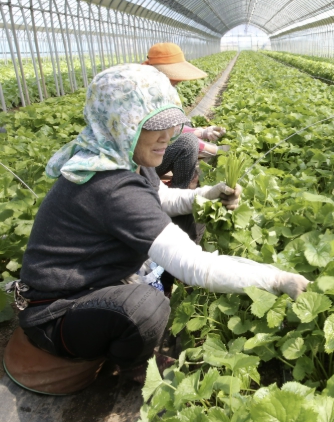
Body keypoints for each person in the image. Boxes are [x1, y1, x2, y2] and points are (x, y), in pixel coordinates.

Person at [9, 64, 308, 382]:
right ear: (123, 124)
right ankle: (132, 365)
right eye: (153, 126)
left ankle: (143, 298)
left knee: (191, 218)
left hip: (100, 282)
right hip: (57, 313)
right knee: (146, 308)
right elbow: (197, 267)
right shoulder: (110, 185)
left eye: (170, 123)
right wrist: (277, 279)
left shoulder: (122, 156)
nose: (167, 136)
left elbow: (162, 199)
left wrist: (207, 195)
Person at [142, 42, 229, 190]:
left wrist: (202, 132)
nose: (179, 80)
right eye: (174, 75)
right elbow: (168, 135)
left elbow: (175, 128)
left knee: (185, 125)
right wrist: (213, 149)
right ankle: (180, 190)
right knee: (187, 143)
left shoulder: (160, 88)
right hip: (140, 164)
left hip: (149, 155)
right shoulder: (147, 95)